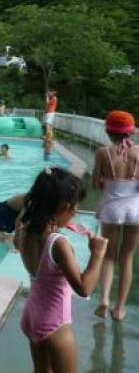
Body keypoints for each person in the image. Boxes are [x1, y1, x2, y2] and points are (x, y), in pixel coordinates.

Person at [17, 167, 107, 373]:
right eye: (74, 208)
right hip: (55, 324)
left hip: (32, 315)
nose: (76, 213)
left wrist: (55, 223)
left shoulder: (25, 229)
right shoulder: (58, 243)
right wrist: (97, 254)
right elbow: (84, 288)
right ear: (64, 207)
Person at [92, 110, 139, 322]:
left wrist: (111, 185)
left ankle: (104, 299)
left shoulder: (103, 152)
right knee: (127, 258)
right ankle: (119, 309)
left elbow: (95, 183)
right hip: (135, 209)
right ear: (131, 131)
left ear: (108, 132)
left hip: (111, 208)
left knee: (109, 256)